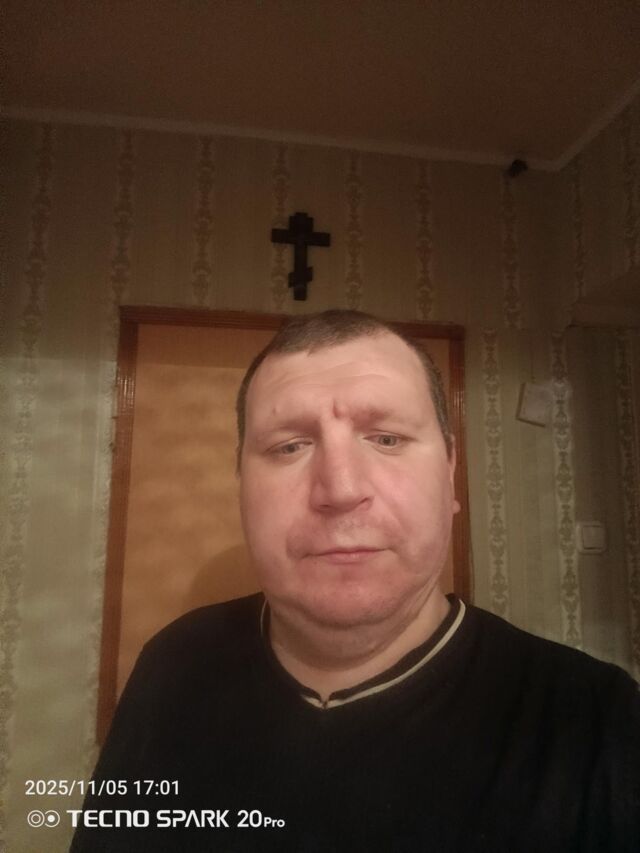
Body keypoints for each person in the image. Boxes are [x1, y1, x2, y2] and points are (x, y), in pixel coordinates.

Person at [71, 309, 639, 852]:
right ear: (241, 483)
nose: (340, 489)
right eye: (289, 446)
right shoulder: (174, 663)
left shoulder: (597, 721)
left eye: (386, 438)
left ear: (449, 472)